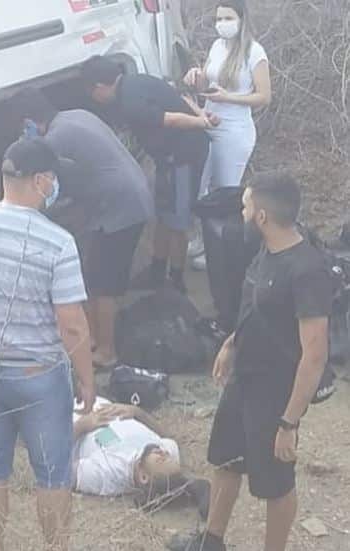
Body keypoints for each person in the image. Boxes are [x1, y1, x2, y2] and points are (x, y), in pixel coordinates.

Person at [0, 138, 96, 551]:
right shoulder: (57, 242)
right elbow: (72, 325)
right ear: (42, 181)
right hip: (37, 374)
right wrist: (86, 377)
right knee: (52, 473)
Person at [170, 173, 334, 551]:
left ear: (261, 216)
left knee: (275, 484)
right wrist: (231, 343)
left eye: (244, 206)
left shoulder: (306, 270)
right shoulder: (266, 251)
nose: (241, 212)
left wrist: (289, 422)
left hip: (275, 392)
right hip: (243, 379)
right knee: (226, 461)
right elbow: (254, 308)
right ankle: (212, 541)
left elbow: (315, 353)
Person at [12, 87, 154, 369]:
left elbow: (37, 182)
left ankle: (106, 351)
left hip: (121, 207)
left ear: (30, 122)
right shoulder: (75, 116)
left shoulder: (54, 138)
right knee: (93, 272)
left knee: (102, 283)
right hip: (130, 194)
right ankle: (92, 339)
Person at [81, 56, 213, 293]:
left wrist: (202, 122)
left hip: (183, 157)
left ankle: (176, 280)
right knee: (163, 214)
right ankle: (157, 271)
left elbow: (171, 119)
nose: (95, 99)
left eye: (91, 92)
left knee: (178, 221)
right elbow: (176, 97)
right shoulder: (134, 82)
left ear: (100, 87)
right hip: (167, 160)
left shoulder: (131, 101)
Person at [184, 0, 271, 192]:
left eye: (228, 18)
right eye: (219, 19)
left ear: (241, 20)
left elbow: (264, 97)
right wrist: (195, 75)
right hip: (206, 122)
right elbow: (205, 86)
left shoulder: (254, 52)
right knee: (199, 187)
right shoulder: (217, 46)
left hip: (234, 131)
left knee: (224, 192)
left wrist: (228, 98)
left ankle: (228, 222)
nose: (222, 23)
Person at [73, 398, 211, 517]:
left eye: (160, 459)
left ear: (143, 476)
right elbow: (167, 437)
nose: (162, 452)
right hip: (98, 400)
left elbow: (58, 471)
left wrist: (81, 425)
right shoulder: (167, 454)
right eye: (166, 454)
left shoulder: (110, 472)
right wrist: (137, 412)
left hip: (65, 412)